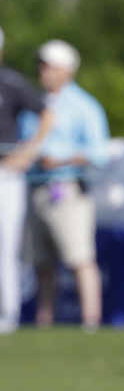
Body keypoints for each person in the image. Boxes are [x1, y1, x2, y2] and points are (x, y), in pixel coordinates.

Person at [27, 39, 109, 331]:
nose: (43, 72)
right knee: (41, 263)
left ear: (66, 70)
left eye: (50, 67)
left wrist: (60, 161)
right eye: (42, 66)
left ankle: (90, 319)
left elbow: (100, 153)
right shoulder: (34, 101)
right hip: (34, 186)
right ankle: (44, 320)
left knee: (79, 257)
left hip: (68, 187)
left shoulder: (84, 106)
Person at [0, 26, 54, 333]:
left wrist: (27, 152)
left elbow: (47, 115)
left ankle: (7, 314)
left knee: (6, 245)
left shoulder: (10, 82)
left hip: (7, 174)